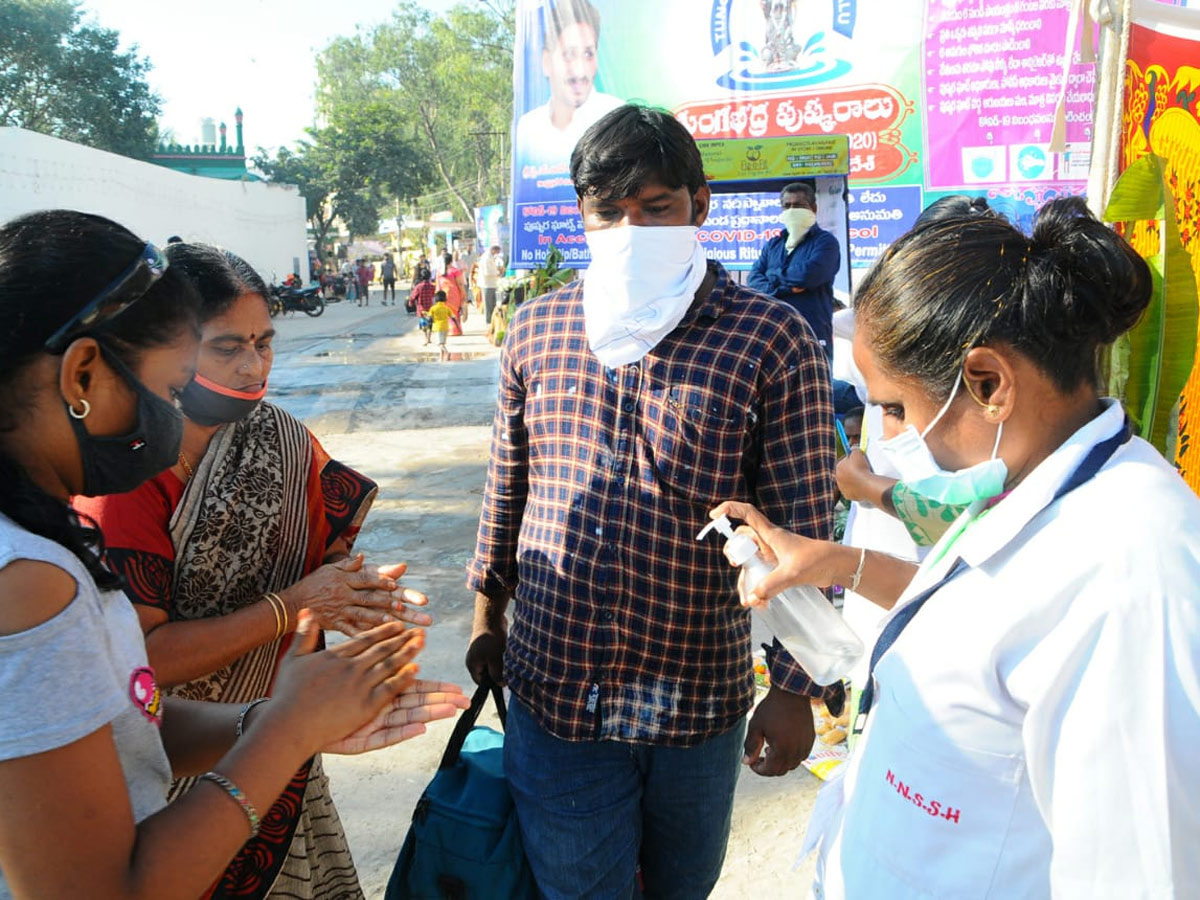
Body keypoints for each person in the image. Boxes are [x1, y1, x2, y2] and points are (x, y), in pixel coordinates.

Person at [711, 197, 1200, 897]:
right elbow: (983, 611)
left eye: (895, 409)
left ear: (989, 383)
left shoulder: (1135, 576)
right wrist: (832, 563)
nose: (886, 436)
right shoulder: (1029, 483)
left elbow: (1138, 877)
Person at [0, 210, 469, 899]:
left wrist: (272, 718)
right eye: (167, 390)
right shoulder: (30, 584)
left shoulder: (37, 544)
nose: (249, 369)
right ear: (82, 375)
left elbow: (123, 716)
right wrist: (283, 734)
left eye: (264, 343)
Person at [466, 104, 841, 897]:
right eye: (609, 211)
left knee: (681, 888)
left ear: (699, 206)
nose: (630, 228)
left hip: (696, 696)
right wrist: (484, 618)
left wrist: (795, 688)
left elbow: (803, 522)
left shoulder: (770, 341)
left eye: (655, 208)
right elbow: (508, 491)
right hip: (555, 688)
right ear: (582, 214)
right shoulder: (536, 332)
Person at [515, 0, 623, 167]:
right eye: (569, 54)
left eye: (588, 54)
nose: (580, 71)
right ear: (546, 61)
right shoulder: (528, 128)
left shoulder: (617, 117)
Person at [748, 181, 841, 360]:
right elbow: (753, 281)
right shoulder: (774, 245)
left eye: (798, 206)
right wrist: (787, 288)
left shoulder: (825, 243)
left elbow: (808, 275)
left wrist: (772, 276)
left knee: (817, 386)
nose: (792, 211)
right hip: (773, 333)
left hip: (811, 332)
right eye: (787, 206)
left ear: (813, 208)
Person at [437, 252, 467, 329]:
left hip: (443, 294)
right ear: (451, 260)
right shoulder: (455, 271)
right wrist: (464, 293)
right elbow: (460, 284)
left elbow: (438, 285)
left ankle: (447, 329)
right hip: (454, 293)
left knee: (446, 312)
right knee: (455, 311)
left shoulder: (440, 272)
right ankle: (455, 329)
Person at [477, 244, 504, 324]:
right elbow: (487, 272)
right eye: (497, 252)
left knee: (493, 304)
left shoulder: (491, 257)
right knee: (488, 305)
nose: (497, 254)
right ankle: (488, 321)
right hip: (487, 284)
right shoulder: (486, 258)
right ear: (493, 250)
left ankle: (493, 321)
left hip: (492, 283)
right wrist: (497, 272)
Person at [412, 272, 436, 344]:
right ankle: (429, 338)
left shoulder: (418, 287)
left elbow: (413, 297)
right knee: (430, 324)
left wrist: (411, 303)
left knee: (423, 324)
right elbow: (435, 294)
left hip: (421, 308)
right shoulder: (432, 286)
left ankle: (426, 338)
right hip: (430, 307)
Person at [429, 290, 452, 361]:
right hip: (446, 328)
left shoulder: (433, 308)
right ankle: (441, 357)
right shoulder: (446, 308)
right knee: (442, 343)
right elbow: (453, 317)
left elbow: (430, 317)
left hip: (438, 328)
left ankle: (447, 352)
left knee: (439, 344)